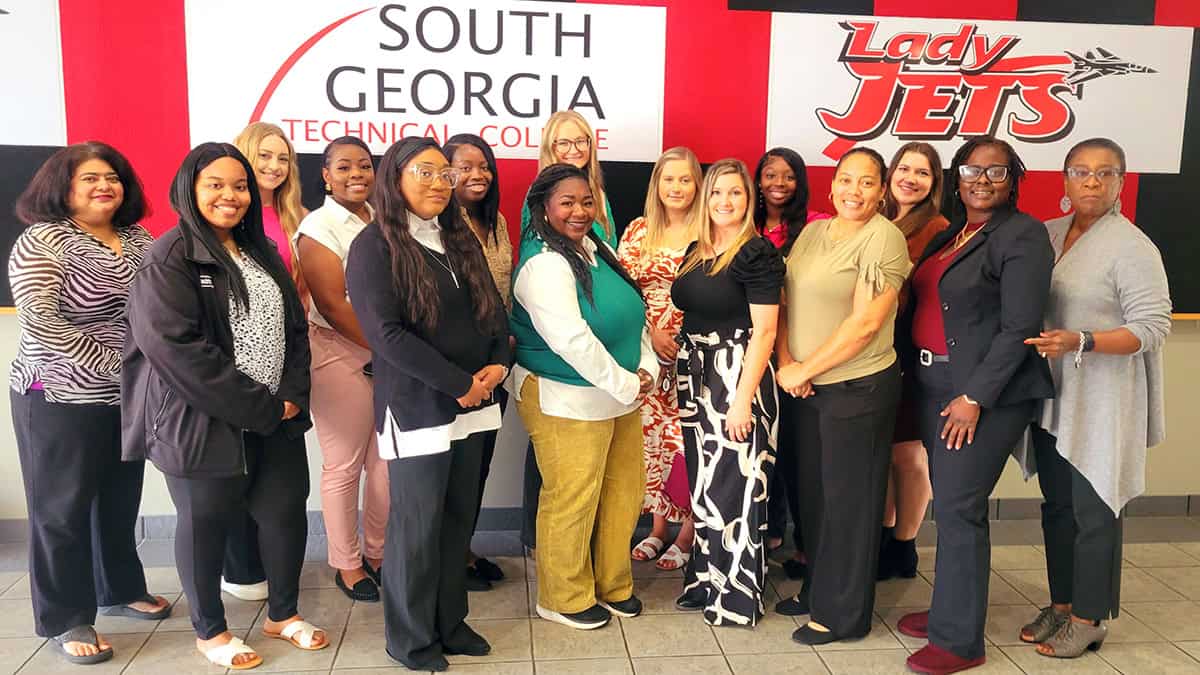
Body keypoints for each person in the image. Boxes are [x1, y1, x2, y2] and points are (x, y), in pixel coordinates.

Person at [123, 142, 325, 670]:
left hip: (276, 417)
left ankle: (284, 614)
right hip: (202, 420)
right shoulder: (169, 256)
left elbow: (295, 330)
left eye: (239, 186)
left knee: (284, 515)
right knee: (205, 521)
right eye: (215, 184)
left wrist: (290, 397)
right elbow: (177, 350)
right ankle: (210, 631)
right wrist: (259, 406)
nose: (229, 196)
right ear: (190, 188)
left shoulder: (260, 251)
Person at [345, 136, 512, 671]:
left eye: (446, 174)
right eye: (426, 172)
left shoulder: (458, 237)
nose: (441, 183)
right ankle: (411, 638)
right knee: (416, 528)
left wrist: (499, 362)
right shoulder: (374, 245)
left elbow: (493, 310)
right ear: (394, 178)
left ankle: (450, 623)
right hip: (420, 407)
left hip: (476, 400)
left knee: (457, 519)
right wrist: (457, 382)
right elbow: (386, 335)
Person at [896, 136, 1054, 675]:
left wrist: (974, 397)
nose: (982, 180)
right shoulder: (955, 233)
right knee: (950, 502)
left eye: (997, 172)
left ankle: (960, 641)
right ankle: (949, 609)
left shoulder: (1023, 235)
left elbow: (1020, 328)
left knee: (961, 508)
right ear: (956, 176)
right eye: (972, 169)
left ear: (1014, 179)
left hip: (980, 396)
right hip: (933, 385)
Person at [9, 142, 170, 665]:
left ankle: (118, 588)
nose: (106, 186)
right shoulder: (43, 240)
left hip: (125, 395)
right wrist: (116, 365)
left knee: (119, 497)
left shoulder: (137, 238)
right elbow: (42, 321)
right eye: (91, 179)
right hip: (56, 393)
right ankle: (64, 616)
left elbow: (156, 309)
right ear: (63, 187)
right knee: (61, 509)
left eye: (114, 178)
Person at [1017, 138, 1171, 659]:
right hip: (1053, 396)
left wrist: (1084, 341)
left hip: (1104, 400)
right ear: (1063, 180)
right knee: (1058, 508)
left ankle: (1089, 617)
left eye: (1105, 174)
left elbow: (1152, 328)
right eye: (1080, 172)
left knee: (1095, 509)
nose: (1091, 182)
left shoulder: (1133, 247)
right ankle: (1061, 605)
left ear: (1120, 184)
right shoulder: (1048, 233)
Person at [510, 163, 658, 630]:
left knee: (623, 493)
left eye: (586, 201)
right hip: (566, 396)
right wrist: (628, 383)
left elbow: (636, 316)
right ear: (544, 209)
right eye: (567, 202)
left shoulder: (597, 249)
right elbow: (571, 340)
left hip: (621, 394)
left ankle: (612, 583)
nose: (579, 211)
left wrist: (646, 367)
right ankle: (564, 596)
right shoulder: (543, 263)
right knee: (572, 497)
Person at [773, 147, 909, 645]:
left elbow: (865, 323)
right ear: (831, 186)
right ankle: (818, 590)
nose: (855, 191)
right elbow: (785, 300)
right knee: (813, 498)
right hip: (803, 385)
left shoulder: (885, 239)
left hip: (857, 388)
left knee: (849, 503)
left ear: (881, 189)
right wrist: (789, 363)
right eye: (846, 180)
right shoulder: (812, 231)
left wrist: (808, 367)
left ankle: (844, 614)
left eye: (867, 182)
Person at [671, 159, 784, 627]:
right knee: (704, 486)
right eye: (716, 193)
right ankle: (707, 578)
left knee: (735, 490)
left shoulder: (756, 253)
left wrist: (741, 400)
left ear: (749, 199)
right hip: (696, 376)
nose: (724, 201)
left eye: (735, 193)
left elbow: (764, 332)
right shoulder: (698, 250)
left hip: (738, 376)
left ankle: (737, 594)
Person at [518, 111, 620, 555]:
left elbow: (608, 258)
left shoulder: (598, 194)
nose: (574, 150)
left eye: (581, 141)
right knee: (555, 465)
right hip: (557, 350)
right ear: (549, 148)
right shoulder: (538, 197)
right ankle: (537, 543)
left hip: (598, 343)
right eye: (564, 143)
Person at [295, 136, 387, 602]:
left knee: (386, 464)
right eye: (344, 167)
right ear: (326, 176)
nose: (357, 174)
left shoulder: (381, 219)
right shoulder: (319, 225)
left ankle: (378, 553)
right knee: (345, 466)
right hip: (338, 352)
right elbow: (331, 304)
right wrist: (386, 349)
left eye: (365, 166)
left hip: (385, 355)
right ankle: (347, 564)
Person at [220, 121, 309, 602]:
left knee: (276, 477)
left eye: (283, 158)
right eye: (265, 157)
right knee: (233, 468)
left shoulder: (299, 217)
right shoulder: (223, 219)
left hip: (286, 359)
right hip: (234, 367)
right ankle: (239, 567)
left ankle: (270, 567)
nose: (275, 167)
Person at [618, 147, 702, 571]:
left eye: (685, 179)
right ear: (657, 184)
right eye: (669, 179)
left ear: (697, 184)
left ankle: (687, 531)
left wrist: (679, 338)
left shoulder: (708, 231)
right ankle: (656, 528)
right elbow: (622, 287)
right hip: (641, 347)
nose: (677, 188)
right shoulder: (637, 229)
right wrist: (651, 332)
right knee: (650, 441)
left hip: (690, 350)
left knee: (683, 441)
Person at [752, 147, 829, 579]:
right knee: (764, 450)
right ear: (758, 181)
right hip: (752, 354)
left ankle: (804, 546)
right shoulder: (747, 225)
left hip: (801, 353)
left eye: (788, 176)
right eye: (770, 175)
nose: (778, 184)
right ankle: (766, 534)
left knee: (800, 456)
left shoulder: (817, 227)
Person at [877, 141, 951, 580]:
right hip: (876, 353)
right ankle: (886, 535)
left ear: (934, 182)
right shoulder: (879, 220)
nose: (910, 178)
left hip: (910, 352)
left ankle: (905, 546)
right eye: (904, 168)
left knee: (910, 456)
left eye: (922, 172)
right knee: (886, 454)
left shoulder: (938, 228)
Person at [444, 133, 513, 591]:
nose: (476, 175)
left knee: (480, 463)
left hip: (499, 362)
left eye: (483, 166)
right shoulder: (440, 225)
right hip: (462, 366)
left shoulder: (499, 222)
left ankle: (463, 548)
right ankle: (448, 557)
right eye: (464, 167)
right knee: (454, 466)